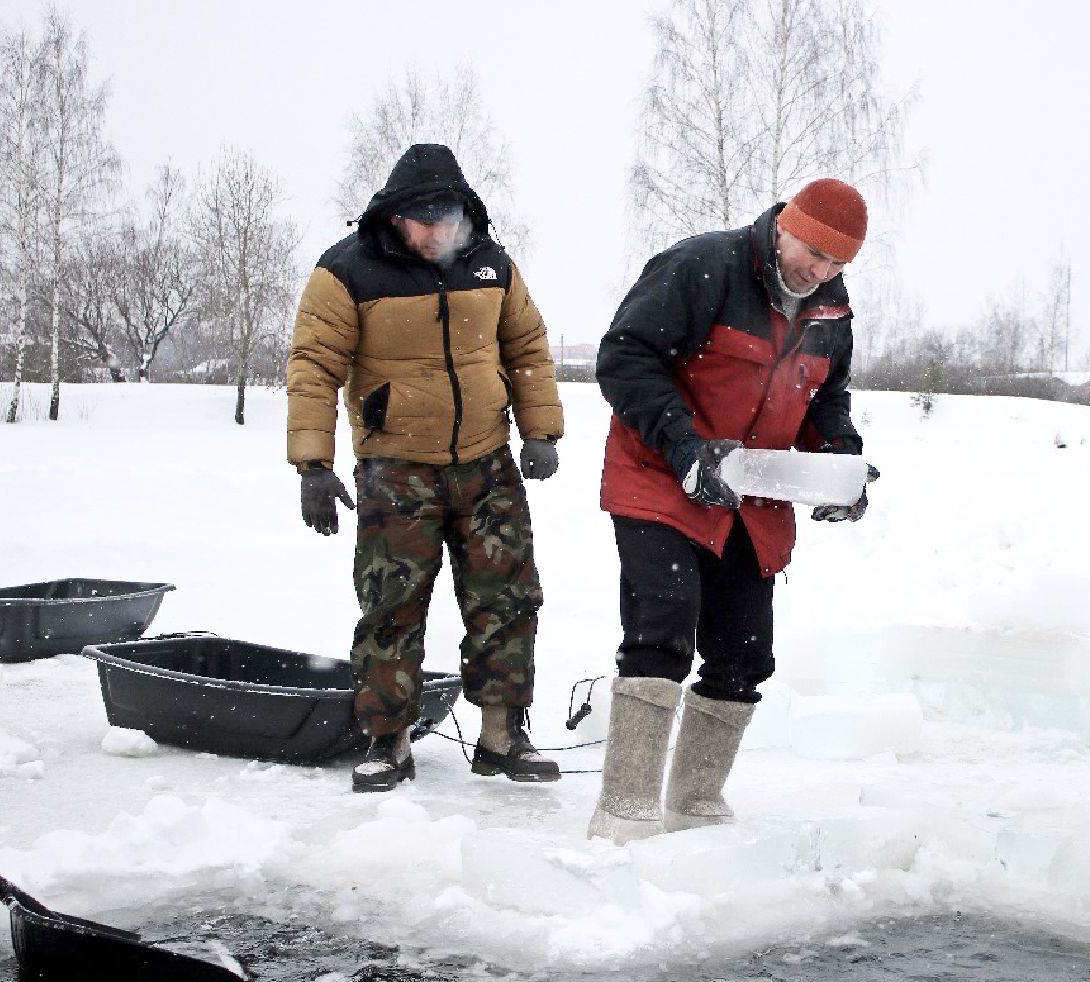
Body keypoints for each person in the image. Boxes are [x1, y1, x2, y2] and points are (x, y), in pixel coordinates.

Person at [586, 178, 876, 844]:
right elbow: (624, 357)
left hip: (753, 493)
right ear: (783, 226)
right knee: (663, 624)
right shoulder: (703, 266)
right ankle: (625, 808)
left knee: (745, 652)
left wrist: (841, 461)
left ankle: (694, 805)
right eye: (812, 252)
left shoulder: (831, 310)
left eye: (837, 263)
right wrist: (685, 445)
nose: (821, 271)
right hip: (659, 476)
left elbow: (825, 399)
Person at [286, 143, 564, 794]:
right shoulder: (346, 271)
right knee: (392, 606)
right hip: (395, 469)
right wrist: (312, 464)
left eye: (446, 218)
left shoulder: (493, 265)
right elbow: (314, 365)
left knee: (508, 599)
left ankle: (501, 737)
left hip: (485, 461)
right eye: (422, 219)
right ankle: (389, 743)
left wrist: (541, 429)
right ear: (394, 216)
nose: (436, 231)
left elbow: (526, 346)